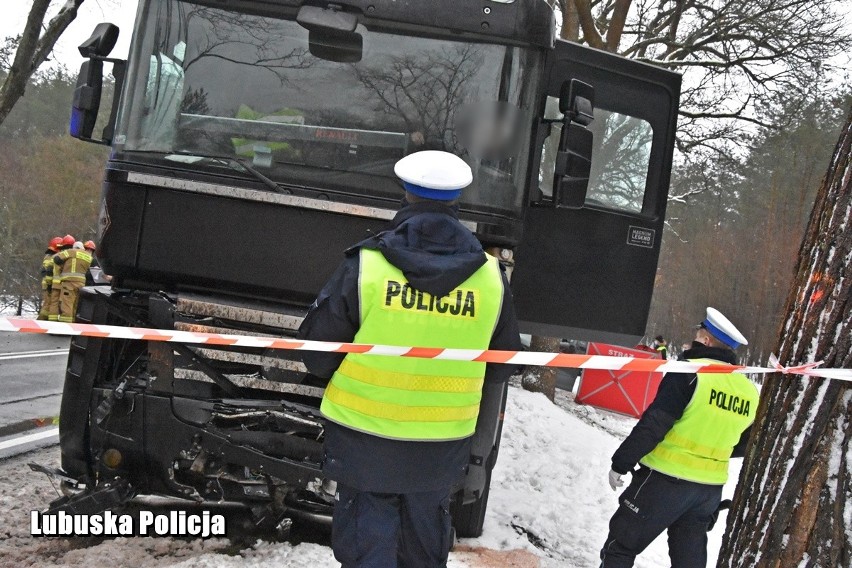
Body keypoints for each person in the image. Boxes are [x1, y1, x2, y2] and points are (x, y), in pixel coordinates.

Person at [298, 150, 522, 568]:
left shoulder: (367, 265)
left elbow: (317, 354)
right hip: (439, 452)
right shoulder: (491, 279)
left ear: (406, 194)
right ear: (457, 201)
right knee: (423, 552)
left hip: (364, 444)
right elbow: (505, 364)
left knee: (368, 550)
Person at [600, 307, 759, 568]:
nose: (694, 337)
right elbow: (742, 442)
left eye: (698, 333)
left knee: (620, 547)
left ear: (706, 340)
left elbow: (656, 423)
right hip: (708, 491)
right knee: (689, 562)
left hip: (664, 481)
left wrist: (622, 462)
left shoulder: (690, 371)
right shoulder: (748, 389)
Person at [54, 240, 93, 323]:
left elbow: (56, 259)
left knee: (67, 304)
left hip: (69, 283)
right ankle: (73, 325)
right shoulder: (88, 256)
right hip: (81, 284)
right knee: (76, 305)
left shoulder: (71, 252)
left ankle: (65, 325)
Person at [47, 234, 76, 321]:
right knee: (67, 303)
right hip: (66, 283)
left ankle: (52, 322)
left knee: (54, 303)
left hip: (56, 283)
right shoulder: (71, 256)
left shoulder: (56, 256)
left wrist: (49, 284)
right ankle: (66, 323)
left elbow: (49, 270)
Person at [38, 237, 62, 320]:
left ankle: (43, 321)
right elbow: (49, 272)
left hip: (46, 283)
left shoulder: (48, 256)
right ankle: (41, 321)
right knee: (48, 304)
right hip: (49, 283)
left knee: (47, 304)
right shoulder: (52, 258)